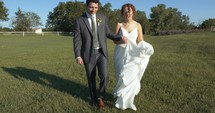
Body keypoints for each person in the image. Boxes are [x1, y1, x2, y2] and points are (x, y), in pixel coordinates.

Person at [73, 0, 128, 109]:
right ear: (86, 6)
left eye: (96, 7)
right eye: (91, 7)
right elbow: (77, 40)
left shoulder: (102, 18)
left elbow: (108, 33)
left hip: (102, 53)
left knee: (105, 76)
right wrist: (78, 55)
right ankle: (94, 99)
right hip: (88, 54)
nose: (93, 10)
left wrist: (120, 37)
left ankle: (100, 97)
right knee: (91, 77)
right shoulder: (79, 20)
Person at [112, 3, 154, 111]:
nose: (127, 13)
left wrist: (145, 48)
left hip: (133, 54)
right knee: (121, 75)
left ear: (133, 12)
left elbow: (140, 40)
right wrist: (121, 40)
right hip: (120, 54)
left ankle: (126, 101)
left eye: (129, 11)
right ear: (122, 13)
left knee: (131, 76)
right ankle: (120, 95)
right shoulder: (119, 25)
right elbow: (114, 40)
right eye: (125, 11)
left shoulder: (138, 25)